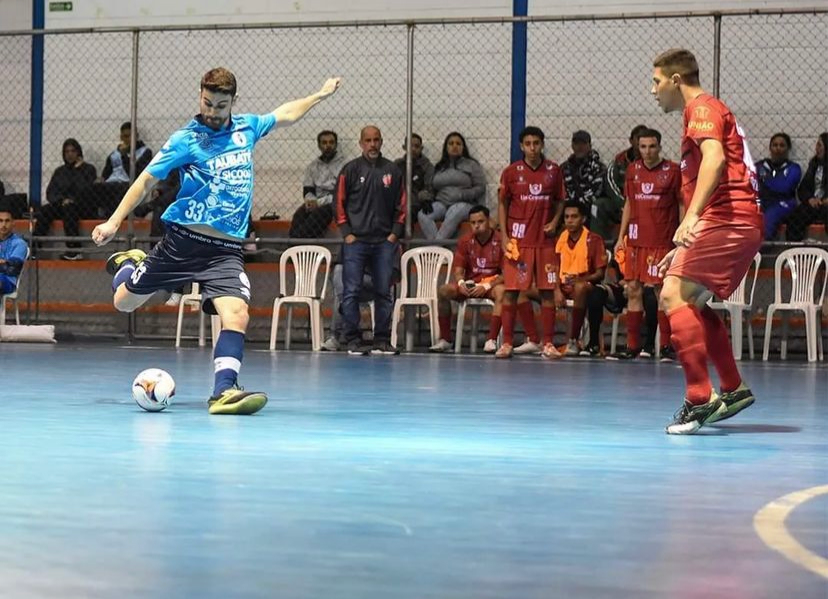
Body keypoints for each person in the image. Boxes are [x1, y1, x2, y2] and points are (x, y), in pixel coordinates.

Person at [91, 67, 341, 415]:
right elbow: (145, 181)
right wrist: (114, 221)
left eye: (220, 106)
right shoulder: (186, 139)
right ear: (200, 96)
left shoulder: (247, 128)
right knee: (124, 303)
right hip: (182, 242)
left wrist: (318, 95)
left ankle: (223, 391)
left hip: (225, 251)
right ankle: (130, 263)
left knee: (236, 313)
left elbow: (285, 114)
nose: (212, 111)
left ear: (232, 103)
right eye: (207, 103)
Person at [651, 48, 763, 434]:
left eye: (657, 81)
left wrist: (692, 217)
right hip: (730, 220)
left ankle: (700, 399)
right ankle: (732, 389)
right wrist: (683, 244)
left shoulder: (701, 109)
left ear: (676, 80)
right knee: (692, 300)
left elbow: (714, 159)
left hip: (727, 219)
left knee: (672, 296)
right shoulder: (704, 110)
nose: (654, 90)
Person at [608, 128, 681, 361]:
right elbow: (629, 202)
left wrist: (680, 234)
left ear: (659, 146)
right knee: (633, 289)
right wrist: (621, 236)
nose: (647, 151)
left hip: (662, 239)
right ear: (637, 147)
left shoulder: (673, 170)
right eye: (643, 147)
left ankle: (666, 346)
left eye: (652, 146)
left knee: (662, 292)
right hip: (636, 240)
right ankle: (633, 346)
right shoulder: (633, 170)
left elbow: (681, 203)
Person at [335, 125, 406, 356]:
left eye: (376, 140)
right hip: (356, 242)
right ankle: (352, 340)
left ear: (382, 141)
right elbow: (339, 204)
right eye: (368, 140)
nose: (372, 144)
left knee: (384, 291)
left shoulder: (393, 171)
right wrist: (347, 233)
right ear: (361, 143)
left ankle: (382, 340)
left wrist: (394, 233)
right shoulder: (350, 170)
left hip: (384, 242)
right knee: (351, 291)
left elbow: (402, 205)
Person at [496, 126, 566, 359]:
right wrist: (505, 236)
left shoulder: (554, 171)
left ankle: (547, 343)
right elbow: (503, 203)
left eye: (536, 143)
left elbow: (560, 200)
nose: (533, 148)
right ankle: (506, 343)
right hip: (519, 242)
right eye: (528, 144)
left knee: (547, 292)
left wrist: (555, 221)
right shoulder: (511, 172)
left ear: (542, 144)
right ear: (521, 146)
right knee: (512, 291)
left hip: (545, 242)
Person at [429, 205, 505, 353]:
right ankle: (445, 340)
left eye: (481, 221)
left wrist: (488, 286)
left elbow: (506, 274)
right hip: (471, 285)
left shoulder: (501, 240)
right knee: (443, 291)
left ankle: (491, 340)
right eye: (473, 223)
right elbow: (458, 270)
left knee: (502, 292)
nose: (477, 225)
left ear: (489, 221)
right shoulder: (465, 241)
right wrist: (461, 283)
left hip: (490, 285)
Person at [554, 201, 607, 356]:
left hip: (585, 285)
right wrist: (556, 289)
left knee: (580, 288)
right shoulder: (560, 239)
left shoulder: (594, 240)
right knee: (525, 291)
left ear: (583, 219)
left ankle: (573, 340)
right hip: (562, 285)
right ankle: (539, 341)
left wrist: (581, 279)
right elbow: (553, 269)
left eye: (574, 217)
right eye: (566, 217)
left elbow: (600, 274)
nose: (569, 221)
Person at [34, 139, 97, 260]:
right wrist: (62, 200)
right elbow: (50, 192)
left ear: (78, 152)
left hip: (82, 206)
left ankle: (74, 250)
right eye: (67, 151)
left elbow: (85, 190)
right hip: (61, 205)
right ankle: (33, 248)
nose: (70, 154)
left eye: (73, 151)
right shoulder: (60, 171)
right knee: (45, 210)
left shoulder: (88, 169)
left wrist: (77, 170)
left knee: (70, 209)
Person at [417, 132, 486, 240]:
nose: (454, 146)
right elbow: (430, 188)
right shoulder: (439, 167)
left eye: (458, 144)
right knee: (423, 215)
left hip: (464, 205)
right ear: (446, 147)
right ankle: (439, 247)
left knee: (454, 210)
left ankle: (436, 248)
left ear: (463, 147)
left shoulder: (472, 165)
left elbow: (481, 188)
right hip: (441, 204)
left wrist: (462, 195)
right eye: (451, 143)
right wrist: (426, 198)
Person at [289, 130, 347, 239]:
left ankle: (296, 244)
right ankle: (294, 247)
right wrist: (310, 201)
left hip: (334, 203)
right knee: (298, 215)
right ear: (319, 145)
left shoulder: (345, 164)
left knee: (318, 215)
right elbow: (308, 189)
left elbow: (342, 192)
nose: (328, 146)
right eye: (324, 143)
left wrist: (318, 203)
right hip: (316, 201)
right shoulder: (313, 166)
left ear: (336, 144)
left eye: (331, 142)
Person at [94, 122, 153, 218]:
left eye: (130, 136)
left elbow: (135, 174)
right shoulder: (114, 155)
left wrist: (124, 156)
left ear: (136, 136)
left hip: (128, 184)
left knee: (120, 191)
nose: (128, 139)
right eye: (125, 136)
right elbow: (106, 174)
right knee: (94, 189)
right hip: (111, 184)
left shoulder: (145, 152)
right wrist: (100, 179)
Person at [603, 124, 649, 240]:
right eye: (637, 138)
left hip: (644, 202)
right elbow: (610, 183)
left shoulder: (651, 161)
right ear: (631, 140)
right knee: (598, 205)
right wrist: (623, 203)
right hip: (621, 203)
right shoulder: (619, 160)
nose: (640, 142)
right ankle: (601, 245)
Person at [755, 133, 802, 240]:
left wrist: (764, 181)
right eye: (775, 145)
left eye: (782, 145)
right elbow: (752, 185)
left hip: (784, 202)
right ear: (770, 148)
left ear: (788, 149)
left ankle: (764, 248)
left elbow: (785, 188)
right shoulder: (759, 166)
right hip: (763, 201)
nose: (778, 148)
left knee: (772, 214)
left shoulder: (794, 168)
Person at [561, 130, 607, 234]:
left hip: (588, 207)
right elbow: (562, 190)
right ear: (572, 146)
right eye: (576, 144)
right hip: (569, 206)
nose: (579, 147)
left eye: (583, 144)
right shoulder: (564, 168)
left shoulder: (598, 167)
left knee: (597, 206)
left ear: (589, 145)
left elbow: (597, 192)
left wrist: (579, 207)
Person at [785, 132, 828, 242]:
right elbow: (802, 188)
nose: (816, 148)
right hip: (813, 205)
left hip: (826, 205)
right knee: (795, 217)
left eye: (819, 145)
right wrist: (810, 199)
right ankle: (794, 251)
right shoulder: (814, 164)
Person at [394, 133, 434, 217]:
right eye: (410, 146)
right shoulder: (397, 164)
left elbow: (429, 187)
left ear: (421, 148)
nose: (413, 149)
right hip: (397, 202)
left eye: (417, 146)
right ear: (404, 147)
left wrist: (424, 198)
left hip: (416, 203)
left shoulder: (427, 166)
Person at [0, 203, 28, 300]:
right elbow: (6, 265)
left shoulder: (20, 244)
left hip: (7, 281)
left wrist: (6, 264)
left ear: (13, 223)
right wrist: (4, 263)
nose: (3, 225)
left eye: (7, 221)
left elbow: (12, 269)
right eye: (0, 221)